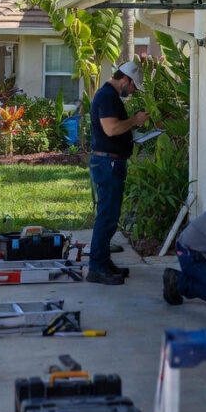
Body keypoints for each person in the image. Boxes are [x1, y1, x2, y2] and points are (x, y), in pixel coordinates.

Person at [88, 60, 149, 285]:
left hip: (111, 163)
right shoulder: (106, 96)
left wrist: (133, 125)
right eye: (133, 86)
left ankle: (103, 262)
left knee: (111, 217)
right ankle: (96, 267)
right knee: (106, 216)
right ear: (125, 79)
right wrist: (135, 120)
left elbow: (115, 127)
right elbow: (111, 129)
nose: (132, 91)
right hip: (107, 164)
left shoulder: (110, 97)